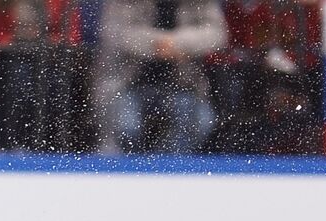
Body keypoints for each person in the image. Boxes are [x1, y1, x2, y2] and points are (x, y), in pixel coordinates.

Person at [92, 0, 228, 154]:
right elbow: (114, 31)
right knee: (126, 127)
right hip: (127, 84)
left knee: (201, 123)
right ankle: (132, 169)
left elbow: (217, 34)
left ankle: (163, 167)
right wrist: (158, 45)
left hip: (183, 86)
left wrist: (177, 43)